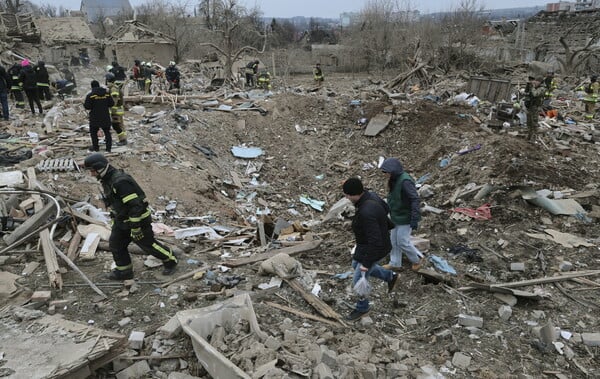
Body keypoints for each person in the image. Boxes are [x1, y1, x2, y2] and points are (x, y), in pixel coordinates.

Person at [81, 153, 178, 280]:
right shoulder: (107, 179)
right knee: (116, 244)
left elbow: (136, 206)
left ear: (100, 168)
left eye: (93, 171)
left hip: (138, 221)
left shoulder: (120, 182)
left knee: (148, 245)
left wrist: (135, 227)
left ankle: (170, 259)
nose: (92, 174)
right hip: (122, 220)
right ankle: (124, 271)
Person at [343, 177, 399, 321]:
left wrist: (367, 264)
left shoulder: (366, 212)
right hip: (367, 244)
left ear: (351, 194)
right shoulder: (370, 196)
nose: (346, 198)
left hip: (375, 248)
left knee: (358, 280)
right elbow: (385, 208)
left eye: (347, 195)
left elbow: (375, 242)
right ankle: (390, 276)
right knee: (355, 264)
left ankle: (363, 308)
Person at [380, 158, 424, 271]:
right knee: (393, 240)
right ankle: (395, 263)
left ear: (393, 171)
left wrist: (414, 218)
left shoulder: (405, 181)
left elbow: (414, 199)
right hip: (396, 215)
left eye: (387, 172)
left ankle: (417, 259)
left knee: (403, 241)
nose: (385, 175)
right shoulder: (394, 180)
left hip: (406, 216)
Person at [83, 80, 114, 153]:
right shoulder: (106, 94)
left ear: (92, 86)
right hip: (105, 116)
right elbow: (111, 104)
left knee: (93, 133)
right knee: (107, 132)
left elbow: (87, 107)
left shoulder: (90, 95)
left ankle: (96, 147)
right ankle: (108, 148)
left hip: (94, 117)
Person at [105, 73, 127, 145]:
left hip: (116, 110)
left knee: (116, 125)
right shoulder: (114, 87)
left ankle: (122, 140)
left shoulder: (114, 88)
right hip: (118, 109)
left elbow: (114, 100)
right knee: (120, 125)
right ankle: (123, 139)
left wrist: (109, 107)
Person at [524, 76, 545, 141]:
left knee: (534, 123)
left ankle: (534, 138)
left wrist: (532, 86)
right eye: (535, 81)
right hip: (530, 106)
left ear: (540, 82)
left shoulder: (542, 88)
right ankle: (528, 136)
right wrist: (528, 85)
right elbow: (526, 92)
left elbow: (535, 94)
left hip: (535, 107)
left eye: (537, 81)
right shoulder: (534, 87)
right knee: (529, 122)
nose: (535, 82)